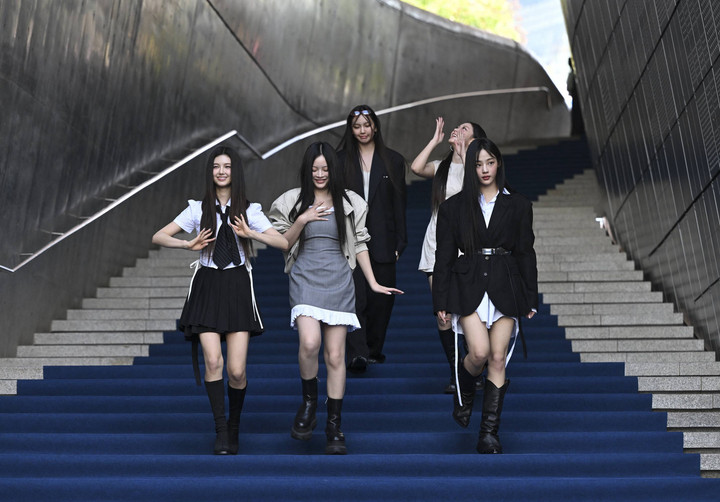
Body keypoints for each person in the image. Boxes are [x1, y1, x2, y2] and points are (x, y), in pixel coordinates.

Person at [152, 145, 288, 455]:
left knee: (237, 371)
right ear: (210, 172)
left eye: (227, 166)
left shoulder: (249, 210)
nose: (222, 171)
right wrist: (187, 244)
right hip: (208, 284)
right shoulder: (197, 209)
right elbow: (159, 236)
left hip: (237, 284)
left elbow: (282, 241)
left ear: (235, 171)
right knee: (214, 361)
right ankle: (221, 431)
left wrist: (251, 235)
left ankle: (234, 425)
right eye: (216, 166)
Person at [269, 141, 402, 455]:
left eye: (325, 169)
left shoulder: (350, 202)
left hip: (340, 281)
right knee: (309, 343)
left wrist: (373, 282)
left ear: (334, 170)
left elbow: (360, 244)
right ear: (307, 170)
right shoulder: (291, 200)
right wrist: (302, 219)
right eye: (314, 169)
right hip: (305, 277)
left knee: (335, 356)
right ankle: (309, 403)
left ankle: (334, 425)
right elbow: (283, 242)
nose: (320, 174)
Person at [432, 137, 538, 454]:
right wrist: (441, 300)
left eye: (490, 162)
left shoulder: (518, 205)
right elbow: (443, 257)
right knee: (478, 353)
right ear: (471, 168)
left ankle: (489, 433)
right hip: (469, 284)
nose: (485, 169)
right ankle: (464, 388)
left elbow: (525, 253)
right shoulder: (454, 207)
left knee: (497, 356)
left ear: (498, 163)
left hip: (506, 285)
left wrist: (530, 296)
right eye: (478, 164)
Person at [410, 117, 486, 394]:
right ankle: (456, 371)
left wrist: (466, 153)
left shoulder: (478, 167)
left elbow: (475, 193)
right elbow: (416, 168)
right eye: (459, 126)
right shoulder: (442, 166)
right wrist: (435, 141)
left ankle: (471, 369)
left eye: (465, 129)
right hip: (436, 245)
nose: (458, 129)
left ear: (474, 139)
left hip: (467, 247)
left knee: (467, 308)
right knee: (443, 314)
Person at [337, 104, 407, 372]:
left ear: (375, 126)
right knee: (355, 297)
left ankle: (373, 349)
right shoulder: (340, 160)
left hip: (384, 239)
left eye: (367, 125)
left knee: (382, 300)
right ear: (350, 129)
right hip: (350, 238)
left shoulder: (393, 160)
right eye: (357, 126)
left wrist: (401, 242)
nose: (362, 130)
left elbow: (400, 203)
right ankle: (358, 353)